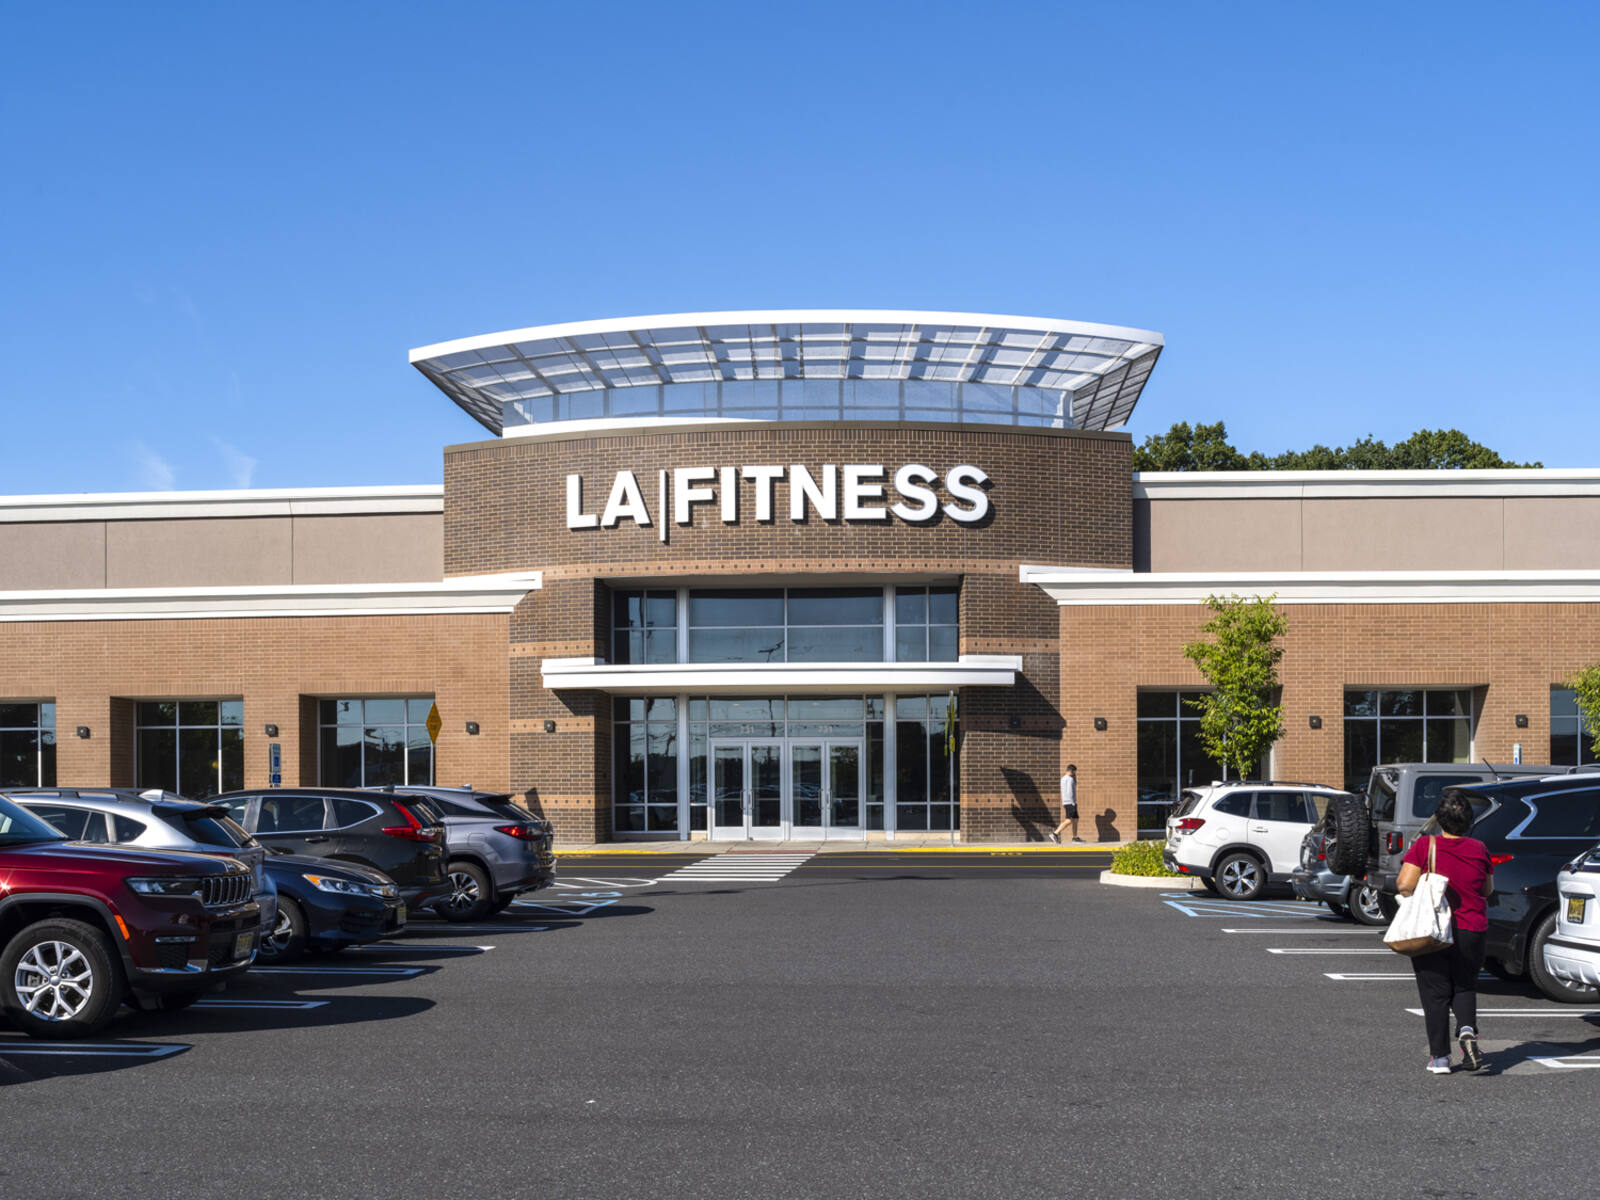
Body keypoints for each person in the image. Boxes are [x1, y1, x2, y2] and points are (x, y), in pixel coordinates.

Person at [1395, 791, 1494, 1075]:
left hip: (1434, 930)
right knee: (1465, 985)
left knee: (1435, 994)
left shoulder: (1427, 845)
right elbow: (1487, 889)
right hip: (1472, 929)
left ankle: (1439, 1058)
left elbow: (1404, 884)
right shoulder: (1479, 848)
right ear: (1469, 821)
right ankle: (1466, 1030)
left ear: (1439, 819)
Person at [1050, 764, 1082, 843]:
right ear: (1072, 771)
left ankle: (1075, 837)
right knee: (1069, 820)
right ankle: (1055, 834)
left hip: (1066, 802)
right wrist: (1073, 803)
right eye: (1074, 772)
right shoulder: (1070, 779)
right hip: (1070, 802)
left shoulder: (1063, 779)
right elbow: (1070, 791)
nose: (1075, 774)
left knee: (1075, 819)